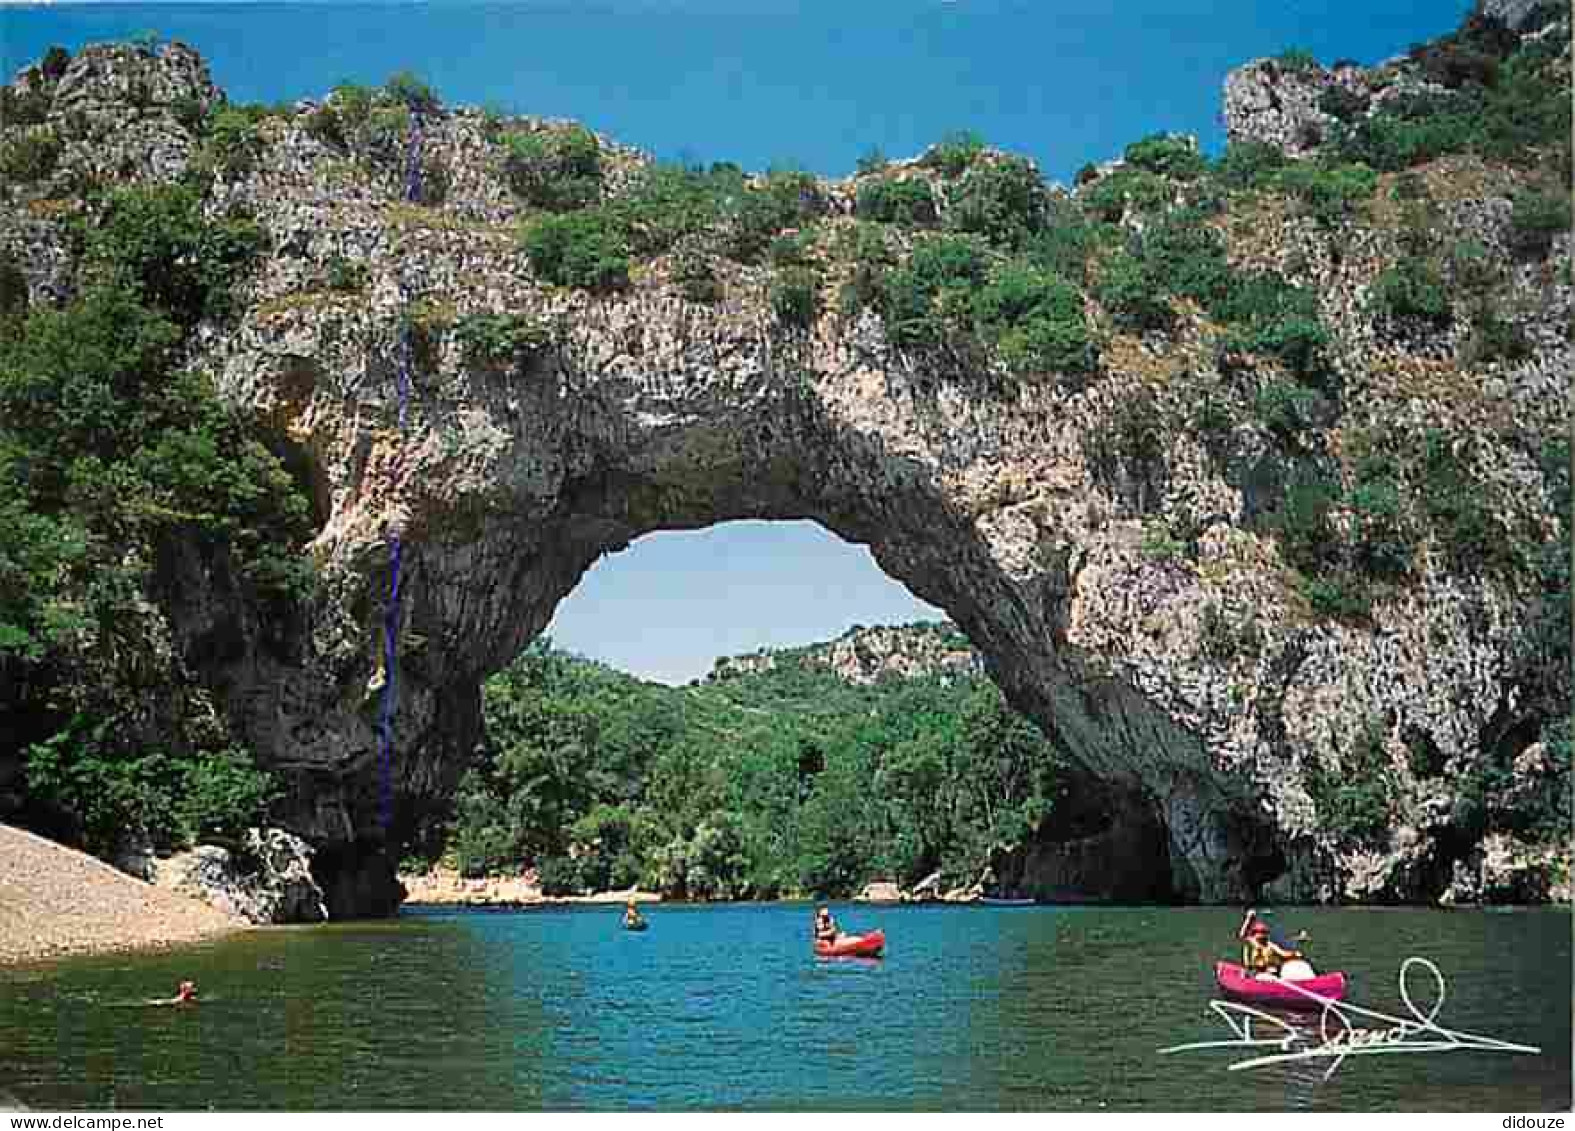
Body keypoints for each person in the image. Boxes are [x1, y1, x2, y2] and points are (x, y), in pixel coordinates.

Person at [1238, 909, 1304, 978]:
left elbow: (1283, 954)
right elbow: (1242, 935)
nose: (1262, 935)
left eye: (1264, 932)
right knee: (1267, 973)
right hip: (1256, 973)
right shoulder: (1251, 942)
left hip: (1271, 973)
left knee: (1274, 970)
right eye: (1259, 932)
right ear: (1254, 934)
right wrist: (1248, 918)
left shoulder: (1270, 945)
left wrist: (1294, 954)